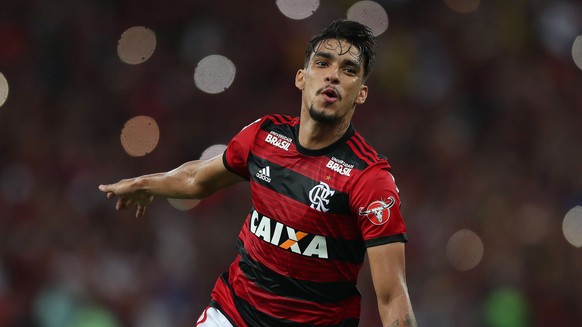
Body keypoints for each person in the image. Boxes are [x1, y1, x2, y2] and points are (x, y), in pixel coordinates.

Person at [99, 19, 416, 327]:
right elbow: (198, 179)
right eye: (323, 63)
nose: (333, 76)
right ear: (301, 77)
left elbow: (391, 297)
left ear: (361, 92)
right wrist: (148, 183)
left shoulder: (370, 180)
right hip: (233, 314)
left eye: (348, 70)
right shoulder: (264, 136)